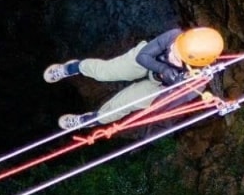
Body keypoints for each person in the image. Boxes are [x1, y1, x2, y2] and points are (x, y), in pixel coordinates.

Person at [44, 27, 226, 131]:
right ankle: (72, 68)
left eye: (178, 55)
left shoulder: (197, 83)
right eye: (175, 48)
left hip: (160, 88)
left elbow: (163, 106)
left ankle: (88, 120)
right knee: (106, 72)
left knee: (123, 105)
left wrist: (177, 87)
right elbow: (143, 57)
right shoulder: (175, 36)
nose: (172, 51)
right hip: (147, 61)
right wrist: (163, 68)